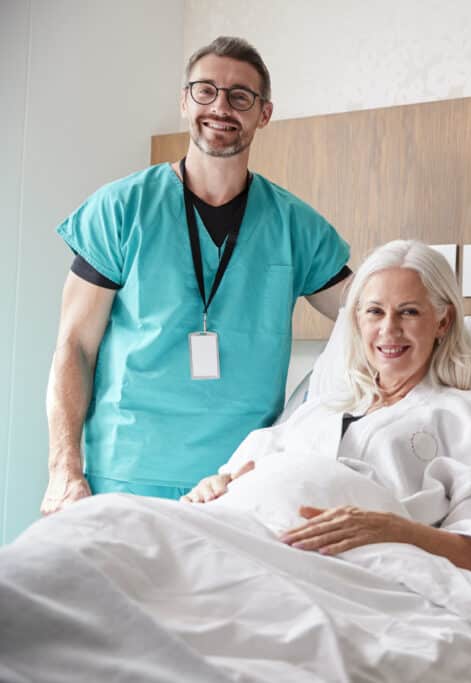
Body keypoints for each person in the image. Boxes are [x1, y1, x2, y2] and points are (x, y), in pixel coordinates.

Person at [41, 36, 352, 514]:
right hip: (124, 471)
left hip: (237, 482)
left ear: (263, 113)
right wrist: (65, 470)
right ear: (185, 101)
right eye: (206, 91)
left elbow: (368, 320)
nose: (221, 106)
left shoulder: (295, 225)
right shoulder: (122, 209)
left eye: (240, 96)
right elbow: (74, 346)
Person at [181, 240, 471, 577]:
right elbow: (236, 474)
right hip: (240, 540)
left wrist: (397, 531)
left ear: (443, 321)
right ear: (358, 320)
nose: (389, 330)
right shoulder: (322, 407)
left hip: (340, 573)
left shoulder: (464, 413)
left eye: (408, 312)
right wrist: (217, 485)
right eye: (375, 311)